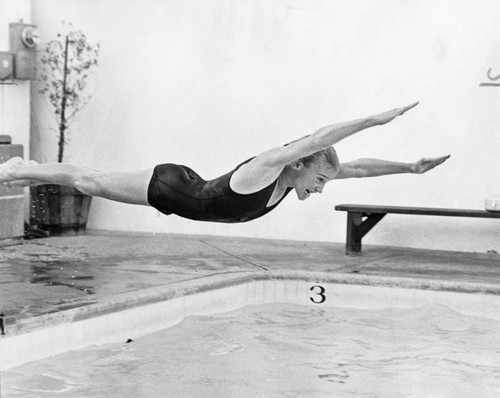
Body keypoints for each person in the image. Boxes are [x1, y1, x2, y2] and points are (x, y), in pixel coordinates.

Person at [0, 102, 449, 223]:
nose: (322, 188)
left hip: (195, 188)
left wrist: (409, 168)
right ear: (299, 165)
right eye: (318, 179)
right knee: (88, 183)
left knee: (89, 183)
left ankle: (28, 169)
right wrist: (374, 119)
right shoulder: (269, 166)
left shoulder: (297, 177)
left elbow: (357, 168)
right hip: (172, 187)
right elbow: (317, 138)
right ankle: (22, 169)